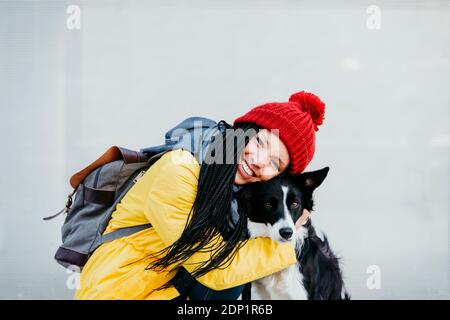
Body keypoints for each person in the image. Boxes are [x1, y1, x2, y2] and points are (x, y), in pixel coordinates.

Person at [74, 90, 326, 300]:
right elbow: (215, 269)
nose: (260, 161)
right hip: (115, 293)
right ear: (243, 130)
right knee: (225, 281)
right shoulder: (178, 169)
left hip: (161, 291)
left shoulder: (235, 194)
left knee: (231, 287)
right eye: (260, 142)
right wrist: (289, 244)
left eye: (275, 163)